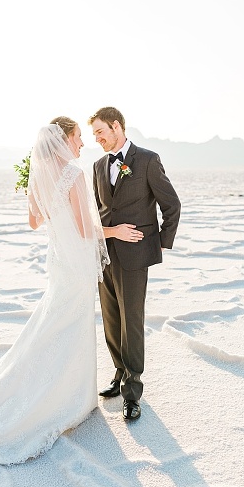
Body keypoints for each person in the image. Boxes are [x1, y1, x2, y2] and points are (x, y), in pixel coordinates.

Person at [0, 118, 143, 468]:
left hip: (60, 261)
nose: (82, 143)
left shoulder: (43, 177)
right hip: (76, 262)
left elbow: (34, 221)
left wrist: (35, 193)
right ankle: (69, 399)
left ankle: (65, 391)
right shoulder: (74, 174)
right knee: (70, 322)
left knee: (56, 320)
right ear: (65, 139)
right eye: (79, 137)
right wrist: (116, 231)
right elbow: (85, 228)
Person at [89, 107, 181, 421]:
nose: (97, 138)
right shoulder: (98, 166)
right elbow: (98, 211)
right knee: (111, 319)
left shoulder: (147, 160)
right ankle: (118, 371)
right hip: (103, 254)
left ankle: (133, 389)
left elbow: (171, 205)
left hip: (134, 256)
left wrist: (157, 244)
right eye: (94, 135)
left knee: (132, 321)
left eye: (100, 131)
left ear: (117, 126)